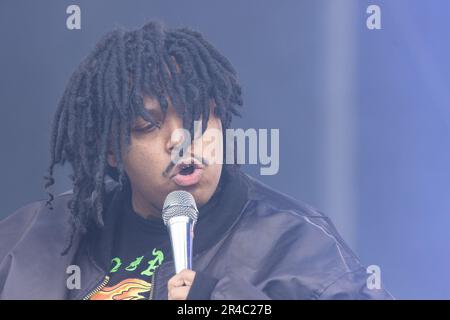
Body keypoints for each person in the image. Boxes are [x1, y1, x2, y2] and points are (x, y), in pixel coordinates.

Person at [0, 21, 392, 300]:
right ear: (111, 151)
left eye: (198, 118)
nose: (180, 139)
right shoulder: (32, 238)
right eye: (148, 124)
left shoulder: (296, 246)